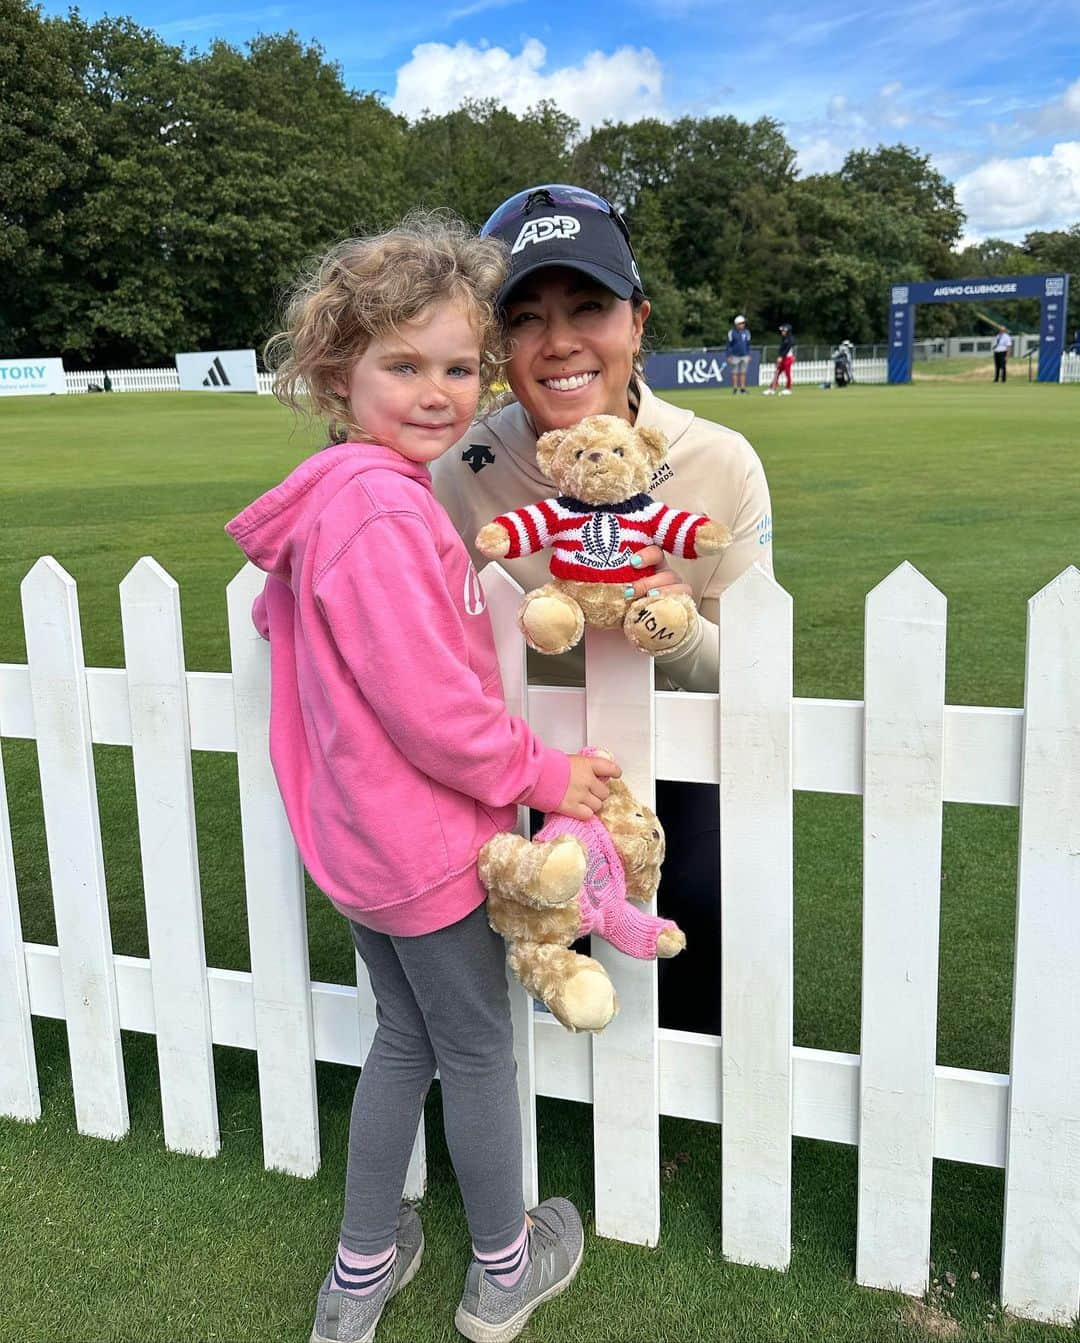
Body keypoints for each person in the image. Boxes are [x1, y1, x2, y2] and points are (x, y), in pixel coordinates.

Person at [225, 214, 617, 1343]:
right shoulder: (384, 506)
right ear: (336, 371)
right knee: (477, 1047)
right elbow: (432, 707)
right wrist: (543, 768)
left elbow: (287, 614)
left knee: (402, 1040)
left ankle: (361, 1267)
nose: (440, 391)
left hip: (354, 847)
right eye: (404, 364)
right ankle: (502, 1265)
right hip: (423, 848)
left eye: (458, 366)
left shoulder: (335, 497)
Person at [431, 185, 775, 1034]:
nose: (560, 345)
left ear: (638, 320)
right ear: (496, 341)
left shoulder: (718, 462)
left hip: (673, 757)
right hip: (515, 762)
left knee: (693, 909)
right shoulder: (460, 466)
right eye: (525, 319)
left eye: (589, 306)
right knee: (516, 926)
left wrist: (683, 629)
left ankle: (678, 1100)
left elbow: (751, 672)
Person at [763, 324, 795, 395]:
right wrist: (780, 356)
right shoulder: (784, 338)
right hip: (783, 358)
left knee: (788, 374)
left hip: (787, 358)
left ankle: (788, 389)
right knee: (777, 373)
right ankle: (772, 388)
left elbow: (787, 349)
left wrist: (781, 356)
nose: (782, 332)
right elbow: (782, 349)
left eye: (784, 330)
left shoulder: (790, 338)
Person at [725, 314, 752, 394]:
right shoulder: (732, 332)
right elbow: (729, 345)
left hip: (744, 355)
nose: (743, 325)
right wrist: (728, 355)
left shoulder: (746, 332)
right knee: (735, 372)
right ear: (736, 324)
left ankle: (743, 388)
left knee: (743, 372)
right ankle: (735, 388)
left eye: (743, 323)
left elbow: (748, 344)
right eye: (741, 323)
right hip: (734, 355)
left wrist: (749, 354)